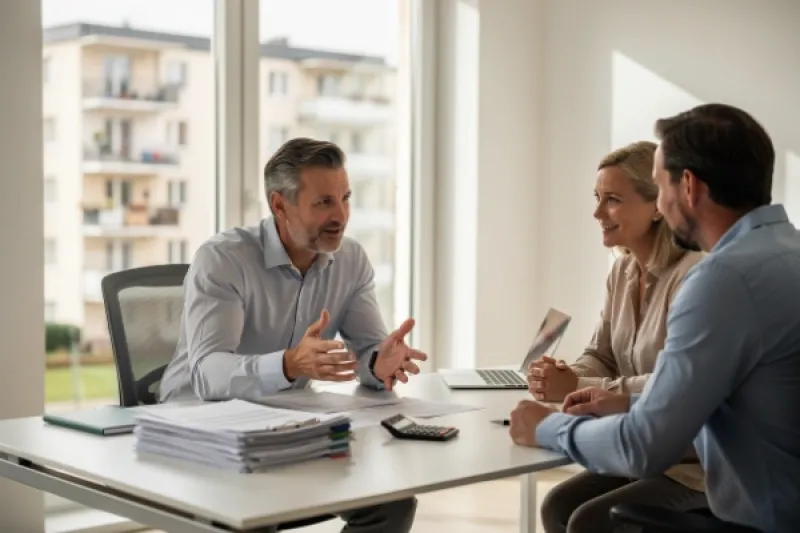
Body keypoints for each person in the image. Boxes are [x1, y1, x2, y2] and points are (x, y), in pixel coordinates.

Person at [508, 103, 800, 533]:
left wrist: (549, 427)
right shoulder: (783, 252)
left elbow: (645, 447)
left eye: (661, 185)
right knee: (562, 504)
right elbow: (732, 391)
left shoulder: (720, 279)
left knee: (589, 520)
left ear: (688, 187)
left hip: (756, 517)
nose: (662, 201)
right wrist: (628, 401)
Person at [159, 137, 426, 533]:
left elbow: (369, 349)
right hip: (201, 429)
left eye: (345, 199)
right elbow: (209, 375)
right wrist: (287, 364)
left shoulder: (350, 261)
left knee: (392, 504)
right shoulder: (223, 260)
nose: (341, 215)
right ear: (279, 205)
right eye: (324, 203)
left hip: (286, 426)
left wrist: (378, 361)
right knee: (254, 515)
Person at [528, 141, 707, 533]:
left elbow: (670, 385)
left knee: (590, 522)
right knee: (557, 505)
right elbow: (601, 353)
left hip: (694, 465)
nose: (596, 213)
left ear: (657, 204)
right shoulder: (622, 271)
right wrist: (565, 372)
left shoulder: (696, 275)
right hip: (642, 447)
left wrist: (578, 384)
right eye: (597, 198)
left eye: (611, 200)